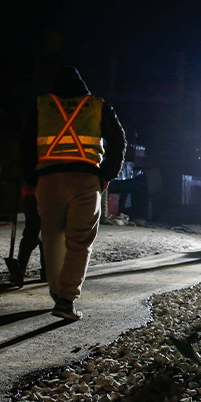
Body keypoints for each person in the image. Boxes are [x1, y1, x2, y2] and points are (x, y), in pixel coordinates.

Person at [21, 67, 126, 321]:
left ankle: (57, 293)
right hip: (85, 180)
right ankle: (66, 300)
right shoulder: (97, 106)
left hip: (48, 180)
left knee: (51, 236)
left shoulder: (42, 105)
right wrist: (106, 174)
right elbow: (119, 140)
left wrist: (30, 180)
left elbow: (26, 143)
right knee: (79, 242)